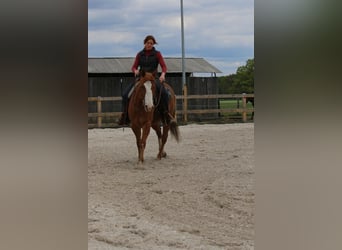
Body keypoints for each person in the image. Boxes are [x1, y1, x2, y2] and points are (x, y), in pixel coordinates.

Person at [118, 35, 172, 126]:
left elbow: (164, 66)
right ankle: (125, 116)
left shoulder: (157, 54)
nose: (149, 45)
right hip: (141, 78)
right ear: (145, 43)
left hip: (153, 78)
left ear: (153, 44)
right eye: (148, 43)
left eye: (151, 43)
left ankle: (166, 114)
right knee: (125, 94)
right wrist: (135, 70)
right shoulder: (140, 54)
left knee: (164, 93)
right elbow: (134, 66)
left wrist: (163, 75)